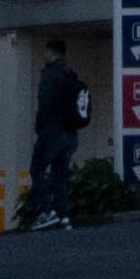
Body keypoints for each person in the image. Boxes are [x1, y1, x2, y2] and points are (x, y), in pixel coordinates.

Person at [29, 46, 93, 230]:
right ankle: (64, 216)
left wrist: (40, 128)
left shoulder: (50, 76)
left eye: (46, 53)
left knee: (37, 170)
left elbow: (44, 104)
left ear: (51, 54)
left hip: (51, 132)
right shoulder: (70, 74)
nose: (44, 56)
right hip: (71, 134)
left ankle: (47, 212)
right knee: (60, 174)